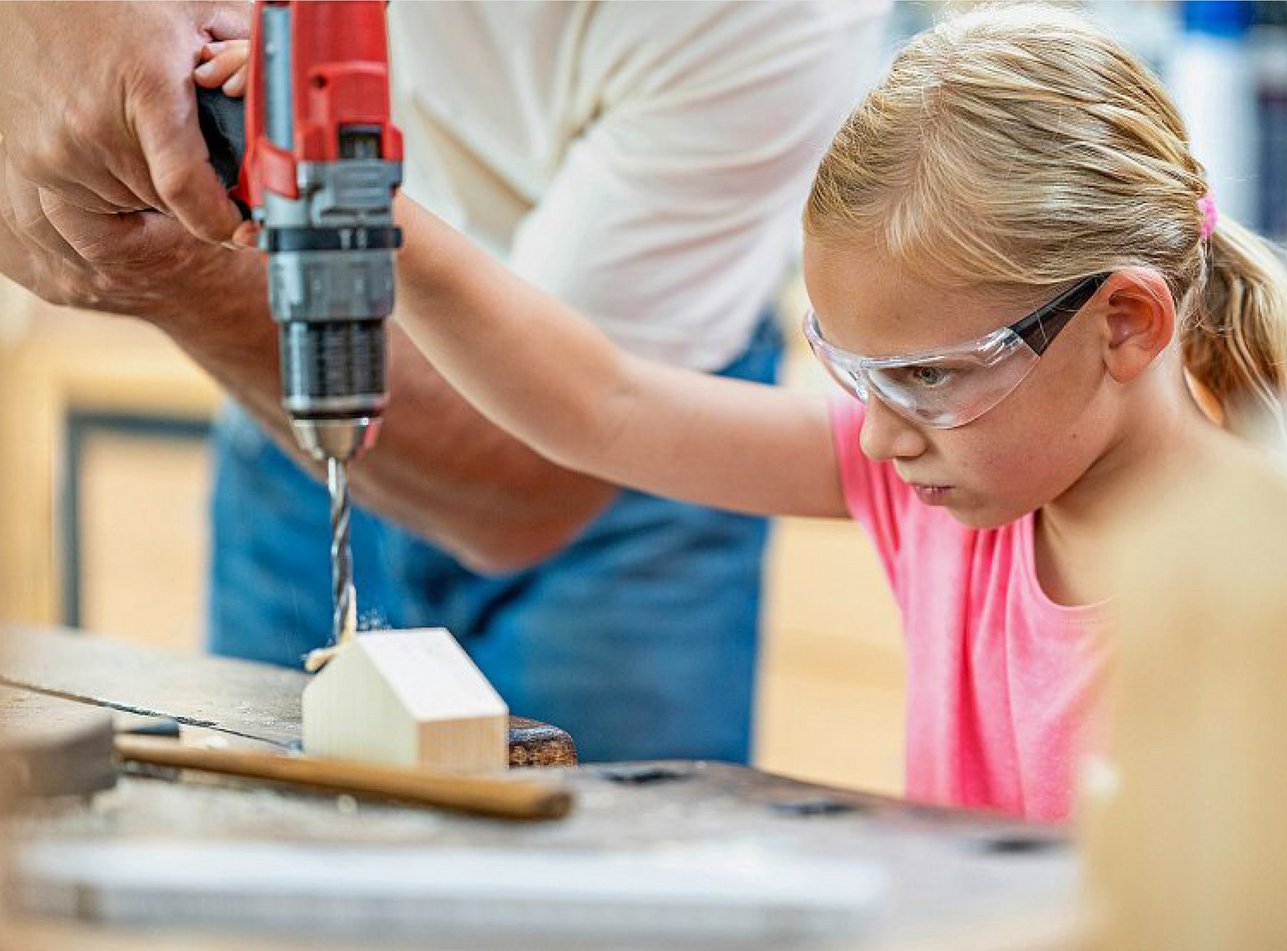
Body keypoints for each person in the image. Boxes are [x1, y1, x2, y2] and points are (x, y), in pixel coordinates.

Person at [206, 2, 1287, 821]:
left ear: (1126, 325)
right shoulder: (953, 482)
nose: (875, 436)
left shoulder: (1259, 590)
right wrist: (371, 205)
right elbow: (602, 404)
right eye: (851, 371)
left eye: (925, 377)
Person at [0, 2, 885, 763]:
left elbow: (553, 454)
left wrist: (215, 258)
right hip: (294, 428)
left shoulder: (769, 23)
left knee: (599, 885)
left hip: (630, 461)